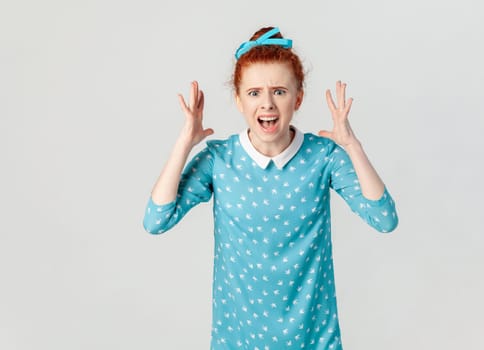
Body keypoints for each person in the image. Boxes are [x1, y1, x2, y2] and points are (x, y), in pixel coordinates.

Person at [143, 26, 398, 350]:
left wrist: (352, 145)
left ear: (298, 97)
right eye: (254, 93)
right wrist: (184, 143)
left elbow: (384, 219)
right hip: (237, 341)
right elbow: (156, 220)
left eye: (279, 91)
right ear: (238, 100)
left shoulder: (323, 157)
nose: (267, 104)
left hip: (313, 340)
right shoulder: (220, 160)